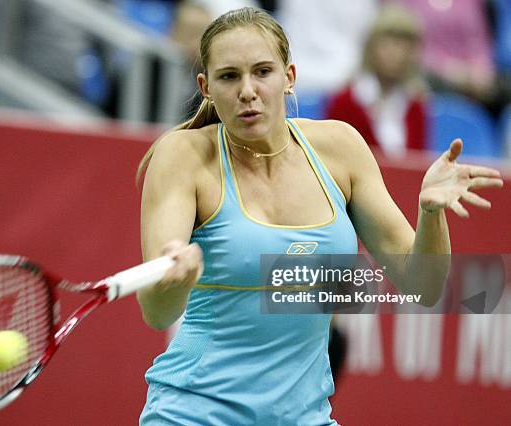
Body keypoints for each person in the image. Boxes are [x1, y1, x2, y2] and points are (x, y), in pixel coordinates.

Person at [136, 7, 503, 425]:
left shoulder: (341, 147)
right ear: (206, 87)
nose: (248, 90)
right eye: (229, 76)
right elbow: (157, 312)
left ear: (289, 76)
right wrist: (174, 278)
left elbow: (424, 286)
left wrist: (430, 214)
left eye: (262, 72)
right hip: (193, 414)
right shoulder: (182, 155)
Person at [326, 4, 428, 156]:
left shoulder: (416, 106)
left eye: (405, 47)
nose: (397, 54)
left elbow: (417, 164)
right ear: (371, 48)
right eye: (389, 44)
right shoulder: (345, 101)